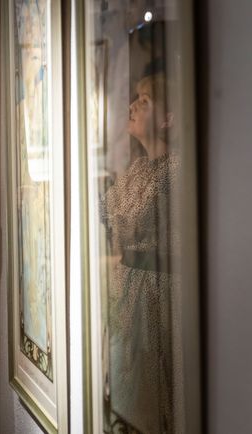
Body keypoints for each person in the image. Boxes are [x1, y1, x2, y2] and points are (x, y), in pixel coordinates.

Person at [101, 72, 178, 433]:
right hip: (131, 289)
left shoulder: (174, 170)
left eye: (143, 102)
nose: (132, 106)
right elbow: (107, 209)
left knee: (154, 390)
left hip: (157, 294)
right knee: (129, 386)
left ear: (167, 119)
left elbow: (128, 217)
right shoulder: (137, 167)